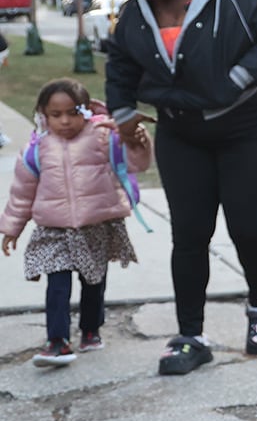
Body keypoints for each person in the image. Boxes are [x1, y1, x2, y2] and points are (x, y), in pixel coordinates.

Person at [104, 0, 257, 376]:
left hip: (248, 129)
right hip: (181, 133)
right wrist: (123, 114)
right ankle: (190, 337)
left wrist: (236, 78)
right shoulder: (138, 11)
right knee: (190, 235)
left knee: (249, 227)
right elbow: (120, 63)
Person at [0, 79, 150, 366]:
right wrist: (11, 228)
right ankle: (57, 341)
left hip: (97, 225)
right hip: (53, 230)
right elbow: (21, 193)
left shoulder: (104, 137)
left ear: (86, 111)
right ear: (43, 114)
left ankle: (91, 329)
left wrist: (136, 137)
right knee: (57, 282)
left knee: (93, 282)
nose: (65, 121)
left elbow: (137, 163)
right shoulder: (36, 149)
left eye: (73, 112)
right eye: (56, 115)